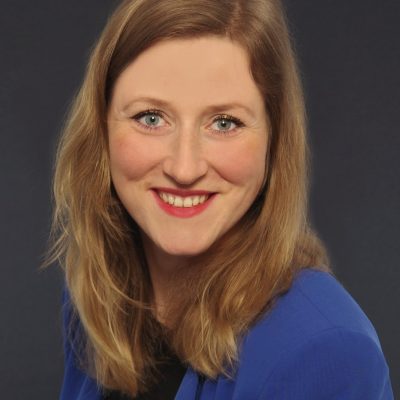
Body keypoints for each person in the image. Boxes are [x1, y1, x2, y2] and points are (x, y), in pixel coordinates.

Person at [48, 0, 394, 399]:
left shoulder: (326, 352)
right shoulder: (99, 294)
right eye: (151, 118)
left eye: (224, 122)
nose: (184, 167)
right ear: (101, 125)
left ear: (274, 140)